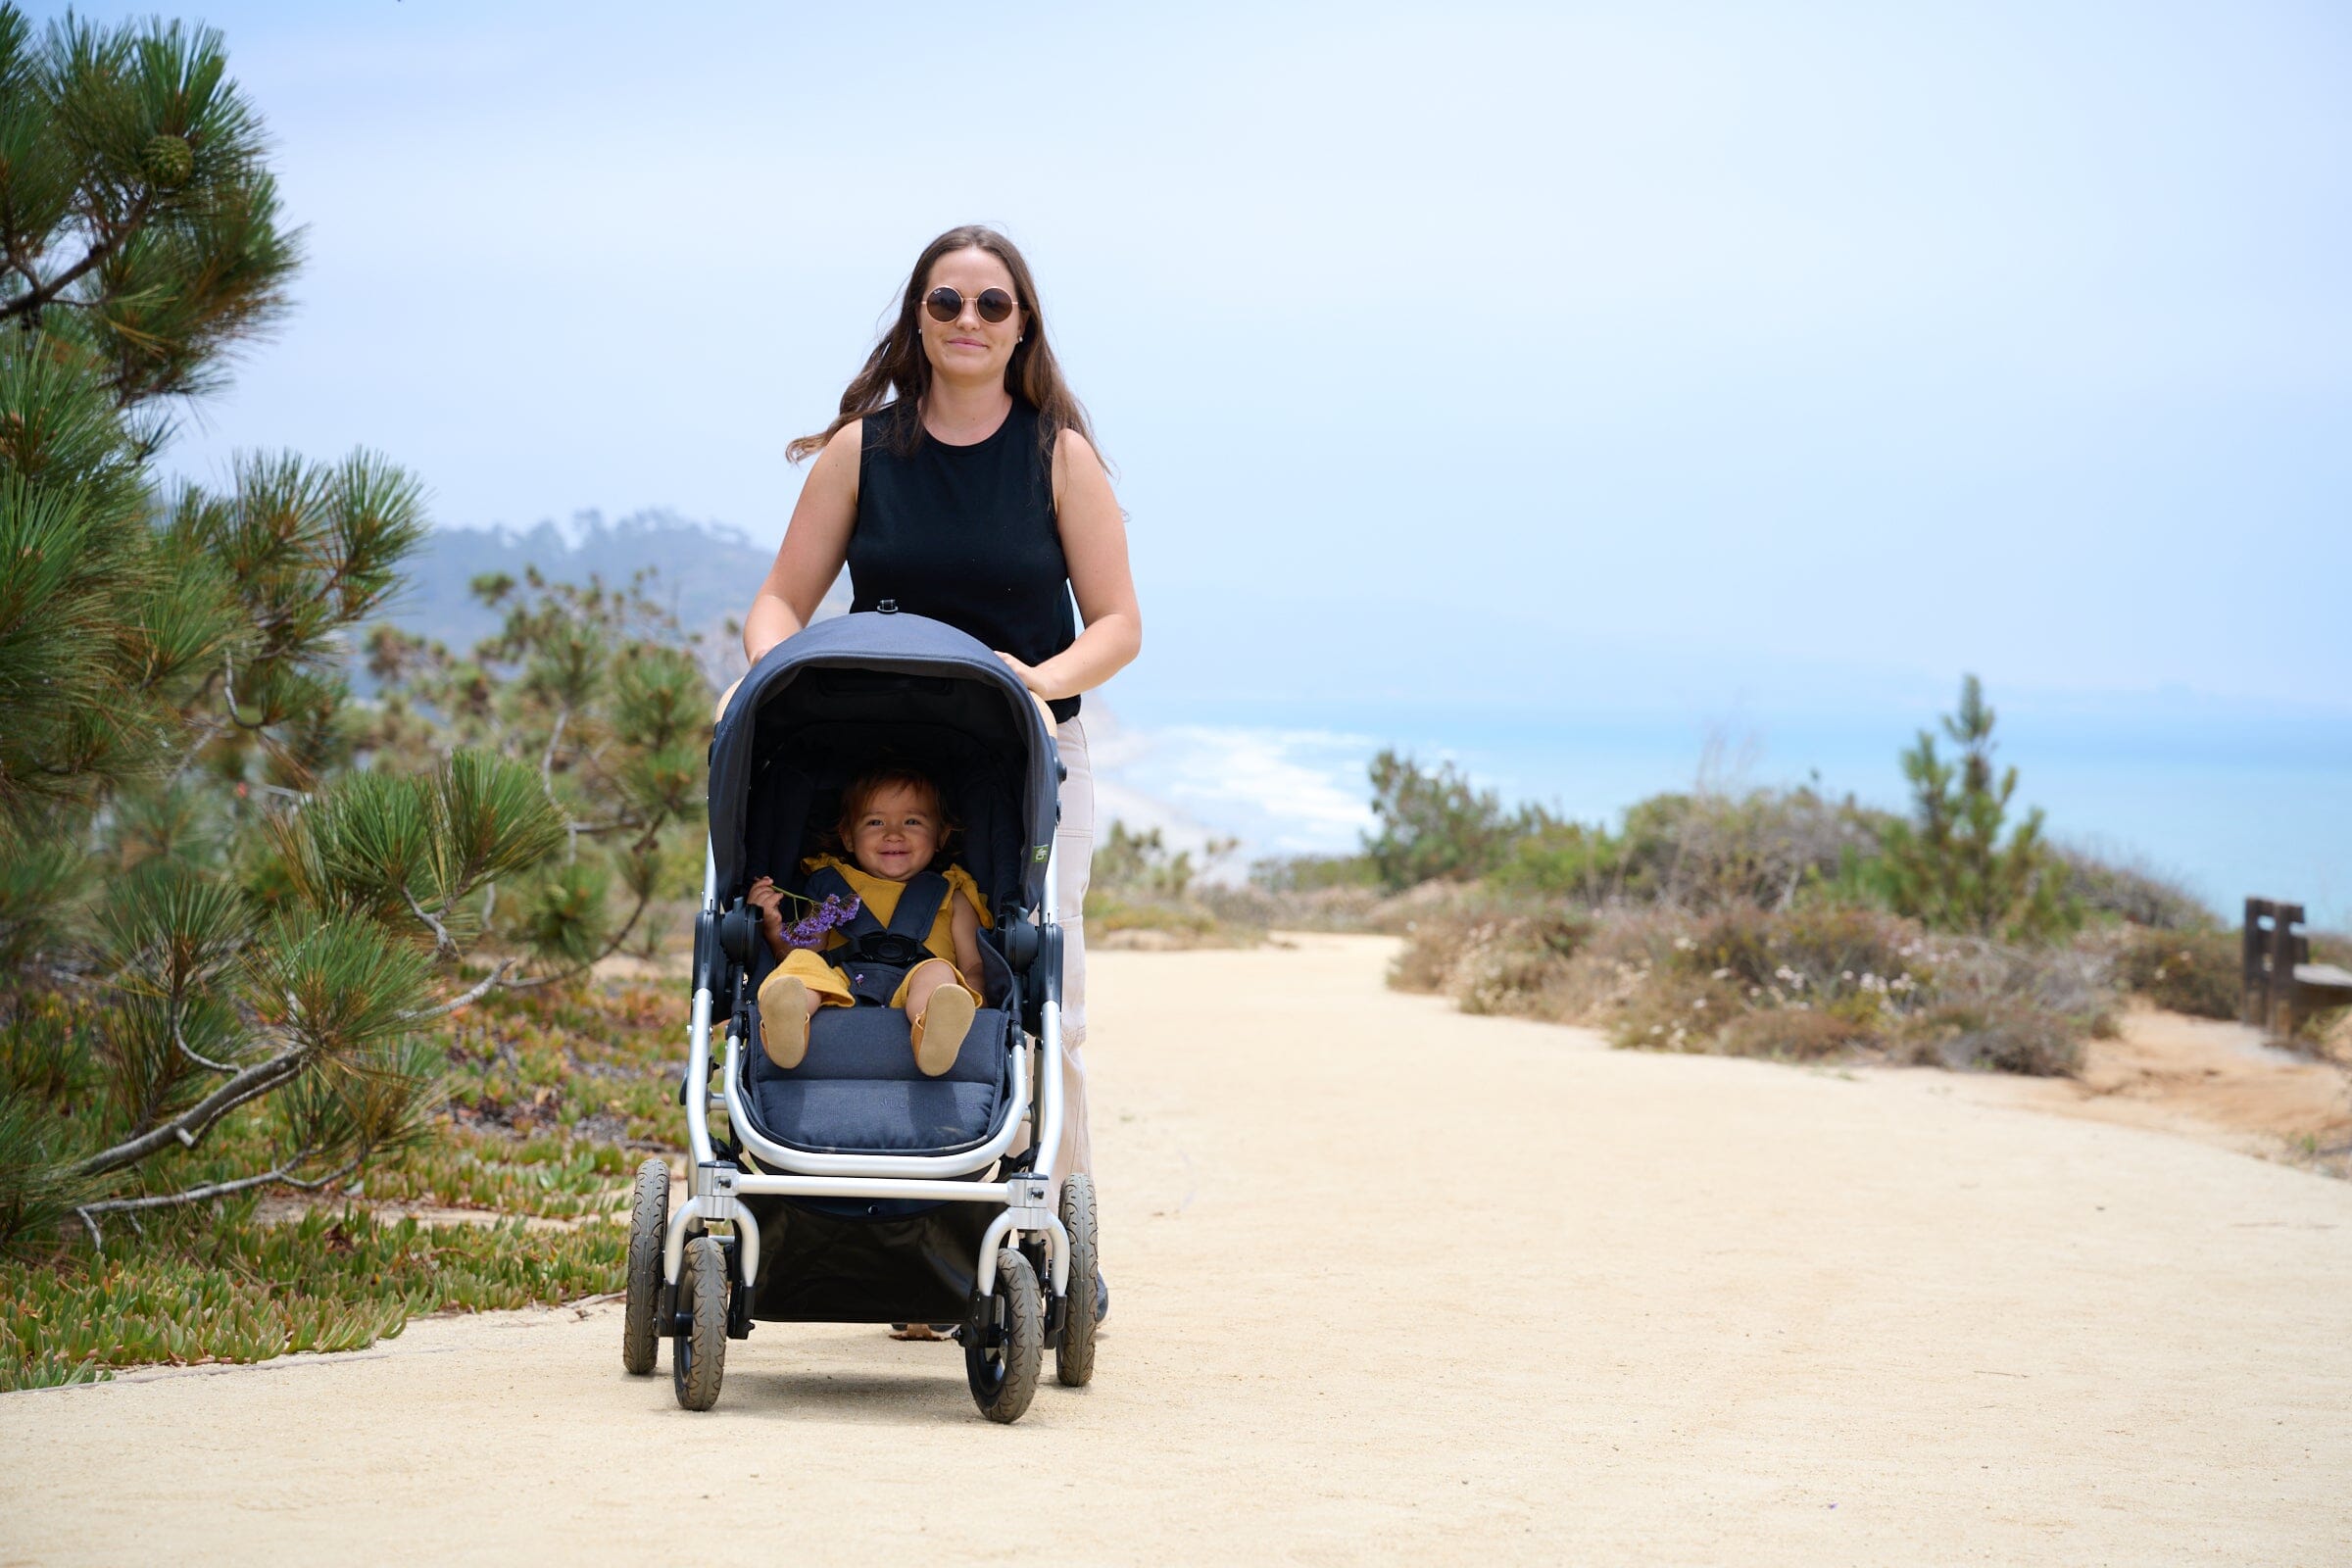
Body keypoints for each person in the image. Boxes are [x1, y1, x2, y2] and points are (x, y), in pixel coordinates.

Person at [741, 224, 1141, 1322]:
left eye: (992, 305)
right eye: (946, 302)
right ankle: (903, 1244)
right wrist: (777, 669)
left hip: (1024, 755)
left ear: (1024, 326)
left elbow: (1118, 624)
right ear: (917, 320)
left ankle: (1053, 1238)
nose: (969, 322)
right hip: (880, 760)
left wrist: (1032, 678)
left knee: (1045, 1004)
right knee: (854, 964)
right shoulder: (862, 453)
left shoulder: (1058, 456)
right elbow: (780, 598)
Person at [748, 764, 990, 1079]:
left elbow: (973, 966)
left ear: (941, 835)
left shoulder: (952, 892)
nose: (893, 834)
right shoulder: (832, 883)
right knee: (805, 965)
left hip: (916, 982)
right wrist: (771, 928)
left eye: (912, 821)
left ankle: (934, 1028)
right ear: (848, 837)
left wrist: (976, 1001)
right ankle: (789, 1021)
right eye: (875, 821)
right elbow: (806, 951)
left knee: (939, 972)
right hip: (841, 987)